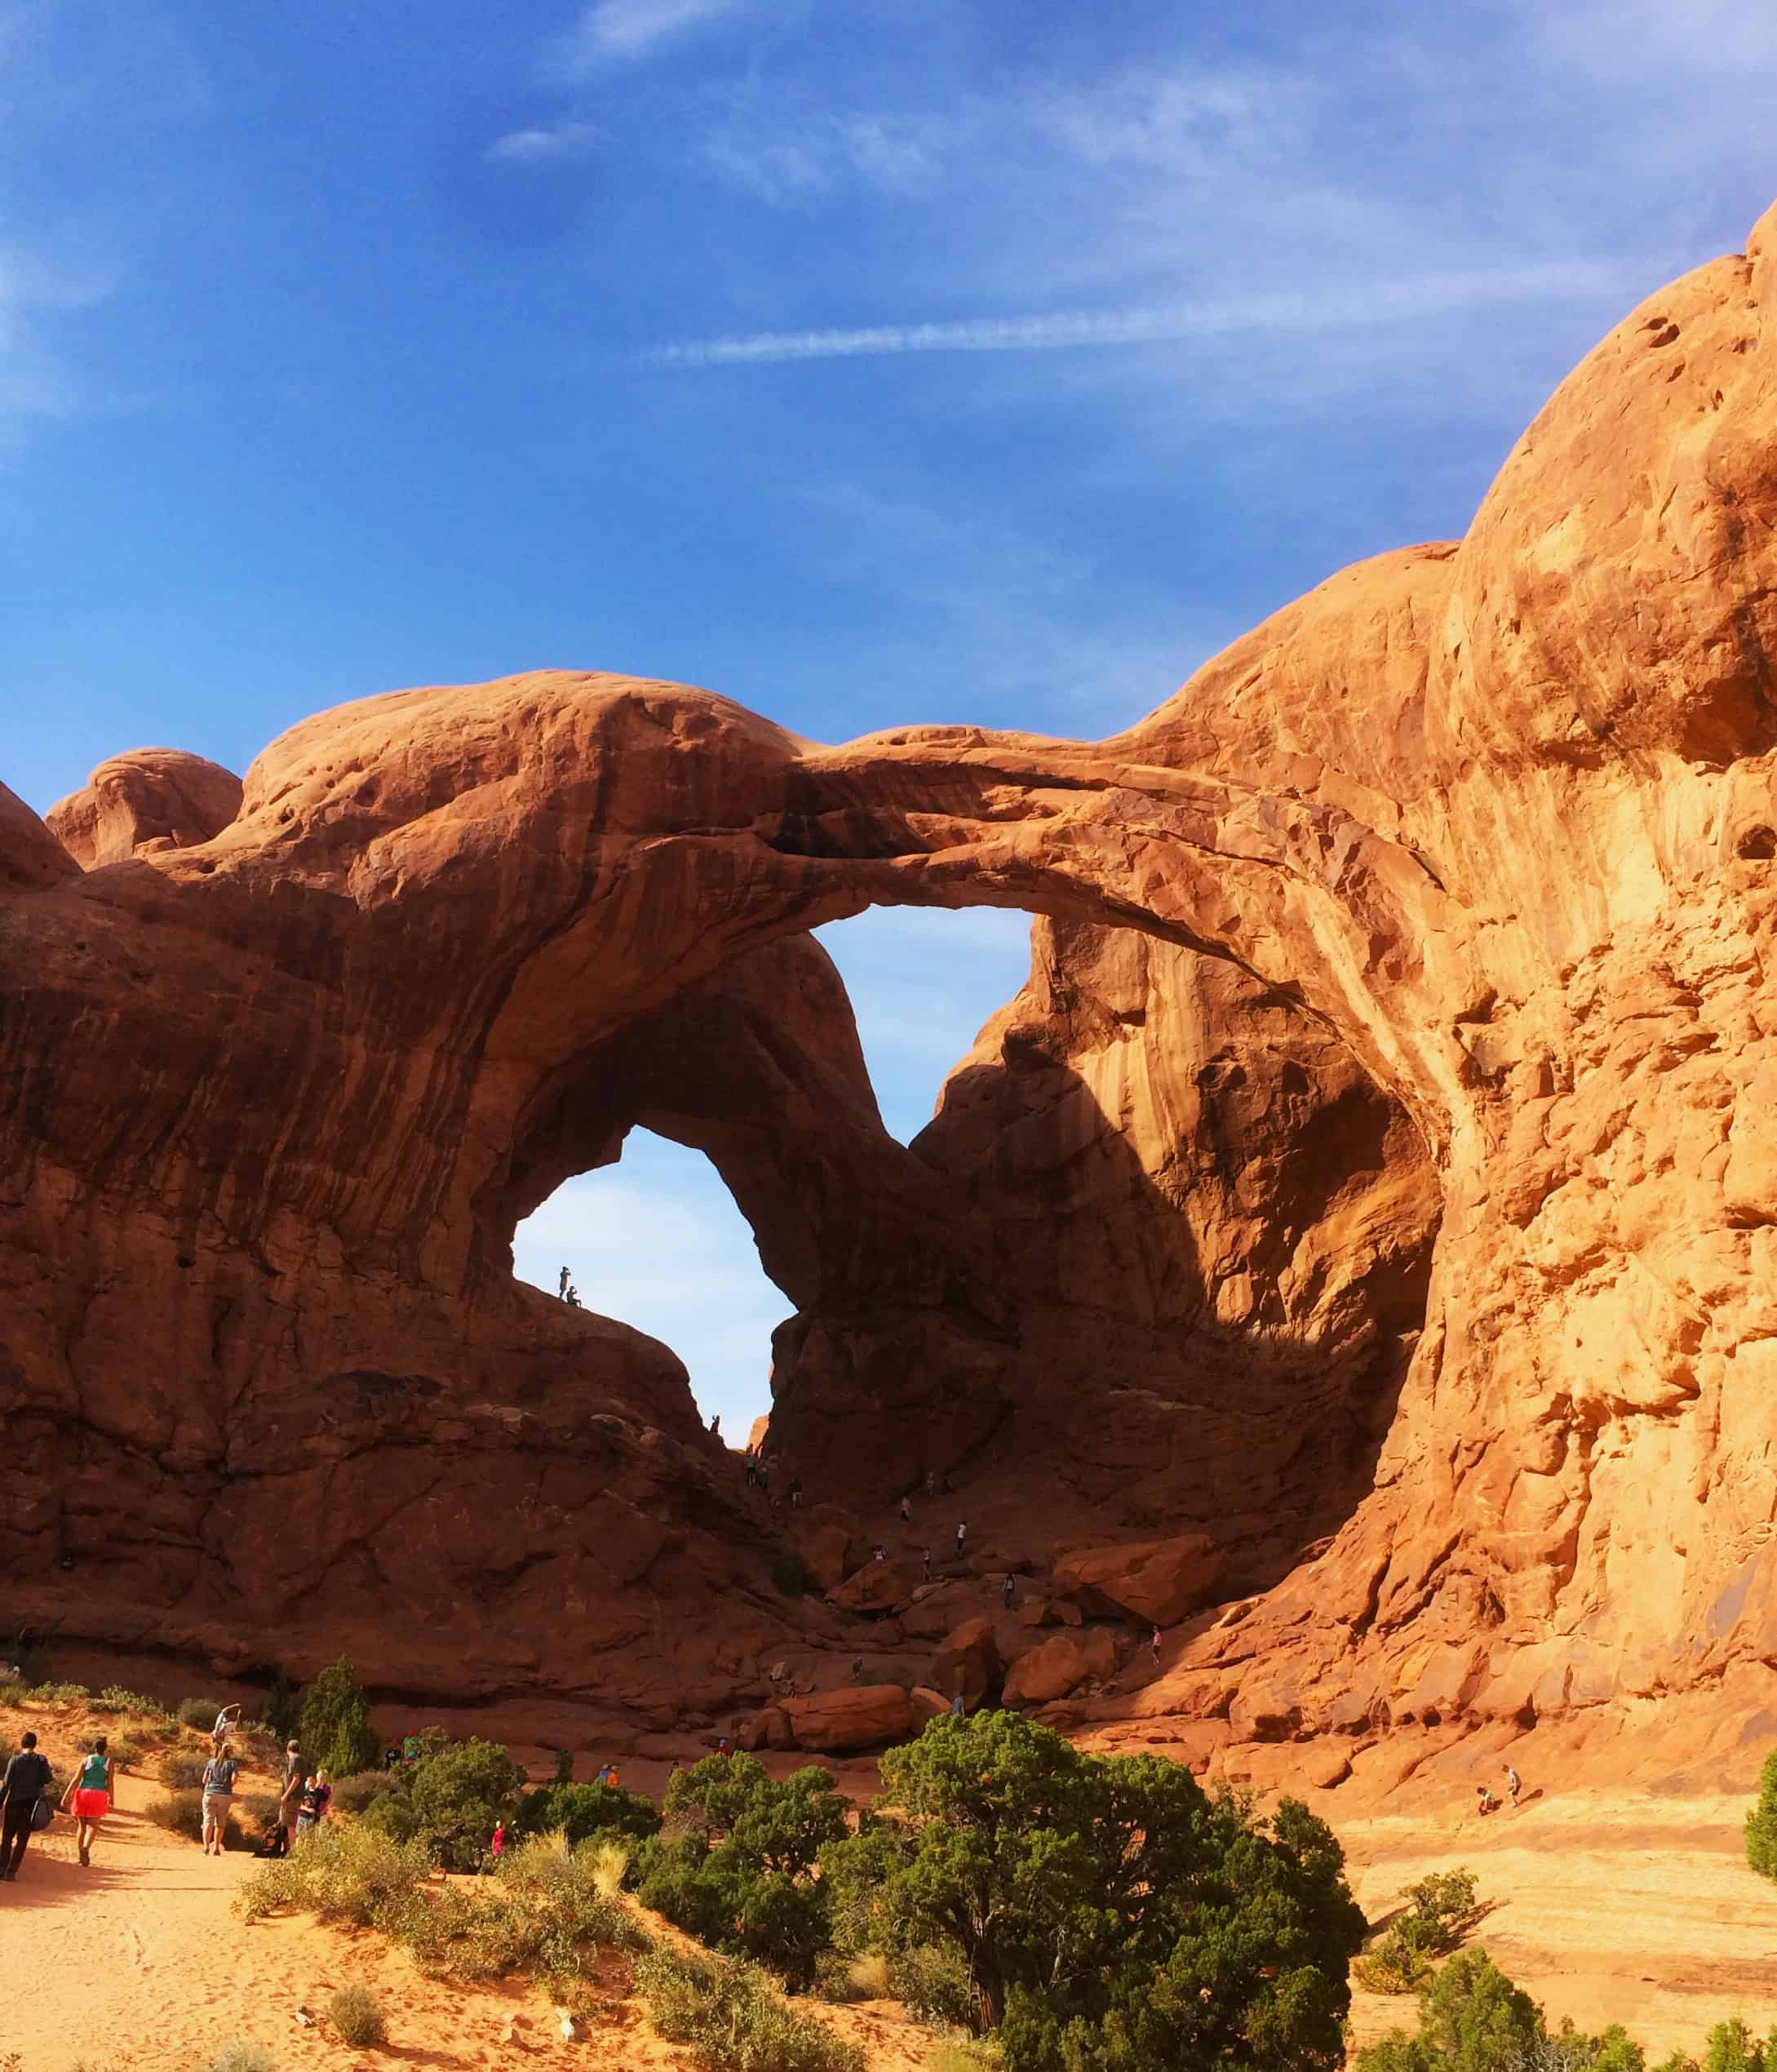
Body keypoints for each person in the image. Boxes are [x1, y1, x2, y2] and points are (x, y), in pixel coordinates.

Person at [0, 1729, 52, 1881]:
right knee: (22, 1839)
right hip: (32, 1806)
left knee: (7, 1837)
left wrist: (0, 1801)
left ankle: (1, 1869)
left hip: (14, 1803)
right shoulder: (41, 1760)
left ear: (22, 1744)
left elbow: (7, 1783)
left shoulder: (14, 1760)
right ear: (34, 1745)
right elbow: (48, 1779)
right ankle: (12, 1871)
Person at [63, 1735, 112, 1867]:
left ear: (94, 1748)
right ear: (105, 1749)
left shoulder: (85, 1760)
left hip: (83, 1794)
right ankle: (86, 1848)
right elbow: (110, 1783)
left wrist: (66, 1795)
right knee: (93, 1827)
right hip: (99, 1795)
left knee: (82, 1827)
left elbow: (76, 1779)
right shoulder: (109, 1762)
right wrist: (111, 1797)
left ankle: (80, 1855)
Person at [202, 1741, 240, 1856]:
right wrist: (228, 1786)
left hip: (210, 1794)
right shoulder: (232, 1764)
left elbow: (204, 1780)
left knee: (208, 1820)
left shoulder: (211, 1762)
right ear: (231, 1752)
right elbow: (234, 1779)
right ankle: (217, 1848)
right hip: (225, 1795)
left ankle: (206, 1847)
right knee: (220, 1823)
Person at [277, 1740, 304, 1849]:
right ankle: (288, 1849)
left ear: (288, 1749)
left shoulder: (294, 1760)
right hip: (298, 1797)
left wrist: (286, 1795)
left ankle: (292, 1851)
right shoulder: (301, 1760)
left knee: (290, 1825)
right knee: (290, 1823)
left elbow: (296, 1779)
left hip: (292, 1798)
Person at [295, 1768, 332, 1838]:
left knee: (316, 1835)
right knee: (301, 1835)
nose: (310, 1783)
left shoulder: (324, 1789)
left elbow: (329, 1798)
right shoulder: (307, 1789)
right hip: (305, 1815)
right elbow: (300, 1804)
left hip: (317, 1815)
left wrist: (324, 1810)